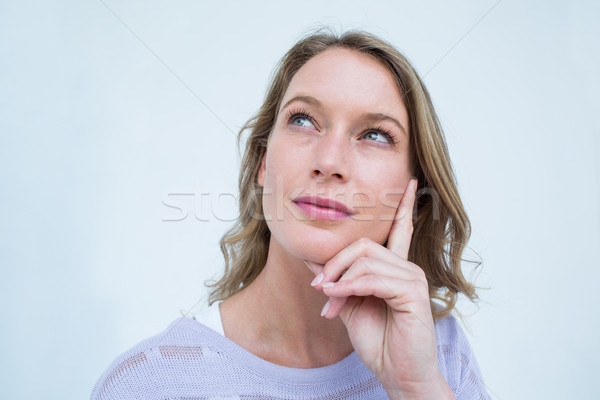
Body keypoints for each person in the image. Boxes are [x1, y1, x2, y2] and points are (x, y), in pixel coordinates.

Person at [91, 28, 491, 400]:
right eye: (303, 120)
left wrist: (415, 387)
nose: (329, 161)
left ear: (414, 196)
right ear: (264, 162)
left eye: (374, 135)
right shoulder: (149, 384)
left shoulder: (440, 357)